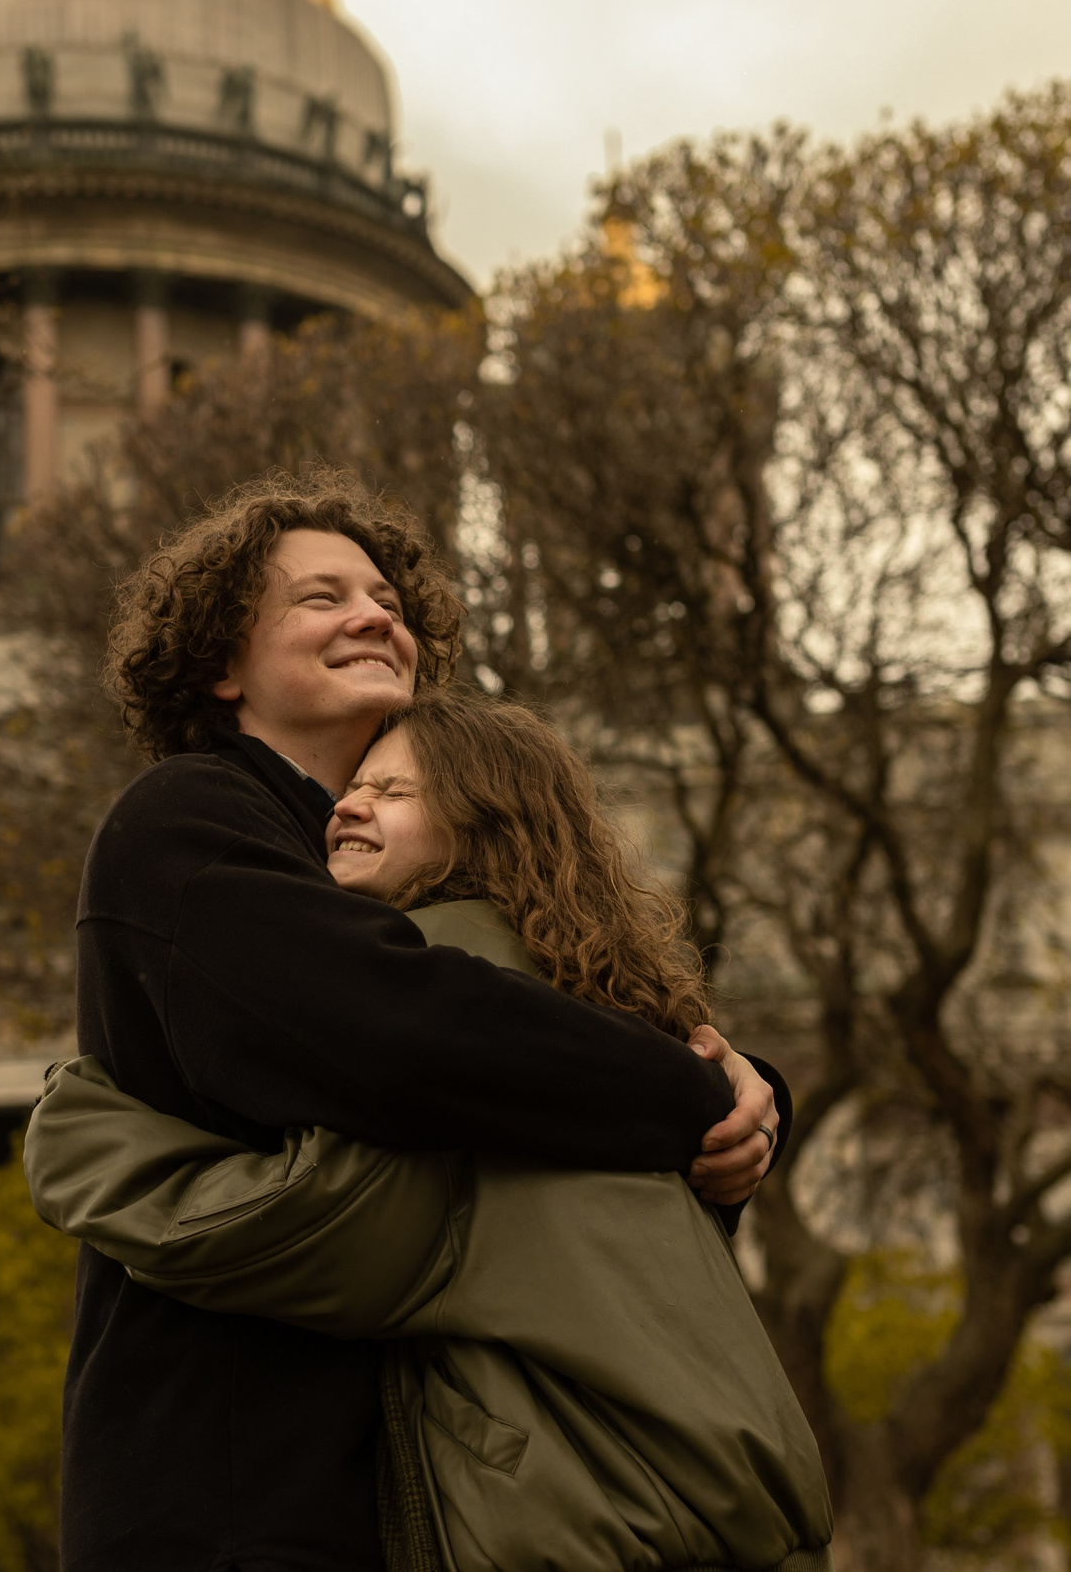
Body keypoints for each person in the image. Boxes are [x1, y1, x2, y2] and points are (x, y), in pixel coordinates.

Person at [61, 469, 787, 1572]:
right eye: (320, 598)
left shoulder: (390, 876)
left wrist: (750, 1089)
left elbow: (542, 1052)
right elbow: (408, 1033)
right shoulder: (188, 818)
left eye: (388, 601)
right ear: (220, 664)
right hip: (234, 1494)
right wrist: (693, 1094)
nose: (373, 615)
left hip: (406, 1495)